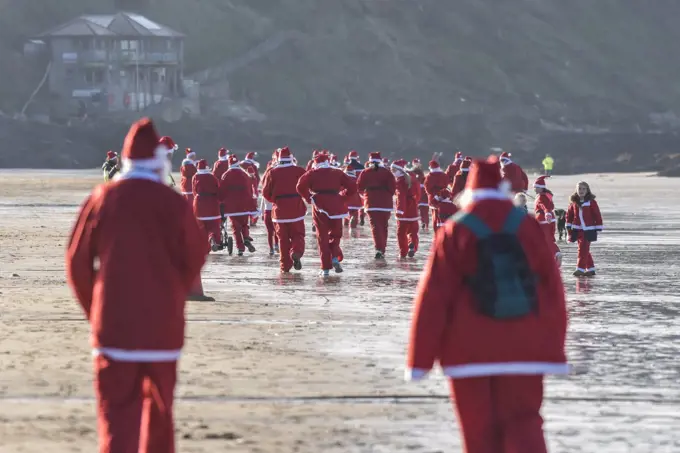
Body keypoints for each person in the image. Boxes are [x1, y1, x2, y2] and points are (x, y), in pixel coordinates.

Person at [406, 156, 568, 453]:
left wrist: (420, 360)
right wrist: (552, 346)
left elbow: (433, 298)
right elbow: (552, 292)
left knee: (478, 429)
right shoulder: (528, 227)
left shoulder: (455, 230)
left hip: (468, 352)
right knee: (524, 421)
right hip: (526, 348)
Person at [66, 117, 208, 453]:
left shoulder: (103, 197)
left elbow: (76, 262)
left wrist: (95, 308)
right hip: (163, 328)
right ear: (160, 161)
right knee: (160, 417)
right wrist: (174, 294)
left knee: (117, 415)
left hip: (114, 326)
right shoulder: (173, 203)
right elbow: (197, 253)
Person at [297, 152, 357, 276]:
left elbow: (300, 186)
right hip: (336, 204)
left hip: (319, 205)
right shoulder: (338, 172)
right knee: (335, 235)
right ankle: (334, 256)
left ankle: (325, 269)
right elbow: (352, 186)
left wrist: (309, 198)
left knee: (322, 237)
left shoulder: (311, 174)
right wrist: (343, 197)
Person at [262, 147, 307, 273]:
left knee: (282, 239)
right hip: (296, 210)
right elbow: (307, 186)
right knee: (298, 235)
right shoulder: (299, 170)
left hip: (279, 211)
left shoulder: (272, 172)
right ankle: (296, 252)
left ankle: (285, 267)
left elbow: (265, 192)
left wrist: (275, 201)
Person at [357, 152, 396, 259]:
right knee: (384, 226)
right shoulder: (387, 173)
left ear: (370, 161)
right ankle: (382, 249)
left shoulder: (365, 172)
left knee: (375, 227)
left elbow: (359, 187)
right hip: (385, 203)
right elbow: (393, 189)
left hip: (371, 203)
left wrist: (365, 195)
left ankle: (379, 248)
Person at [219, 154, 257, 256]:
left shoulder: (226, 175)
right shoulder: (245, 174)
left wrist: (220, 201)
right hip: (244, 204)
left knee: (235, 227)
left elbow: (222, 191)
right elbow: (250, 190)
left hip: (232, 206)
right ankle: (246, 238)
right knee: (244, 224)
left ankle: (240, 248)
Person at [566, 181, 603, 277]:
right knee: (584, 249)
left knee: (582, 249)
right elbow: (569, 215)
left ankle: (580, 269)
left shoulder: (591, 202)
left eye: (583, 189)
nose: (581, 191)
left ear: (587, 190)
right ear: (576, 190)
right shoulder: (574, 202)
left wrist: (598, 225)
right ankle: (590, 269)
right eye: (579, 189)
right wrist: (568, 226)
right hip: (577, 229)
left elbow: (597, 214)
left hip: (589, 229)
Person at [391, 159, 421, 258]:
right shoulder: (412, 178)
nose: (392, 172)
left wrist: (400, 210)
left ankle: (403, 252)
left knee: (401, 233)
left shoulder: (400, 181)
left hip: (403, 210)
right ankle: (412, 245)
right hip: (413, 208)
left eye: (393, 170)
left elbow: (401, 196)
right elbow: (418, 193)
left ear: (398, 170)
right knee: (413, 231)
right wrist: (415, 202)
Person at [193, 159, 223, 252]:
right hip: (212, 203)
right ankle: (212, 237)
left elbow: (194, 191)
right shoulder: (212, 177)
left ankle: (204, 246)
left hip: (199, 204)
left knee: (201, 226)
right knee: (214, 226)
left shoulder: (195, 177)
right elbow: (218, 190)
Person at [534, 176, 562, 267]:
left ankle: (555, 253)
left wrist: (547, 214)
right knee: (549, 238)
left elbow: (545, 206)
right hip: (551, 220)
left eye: (536, 187)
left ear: (541, 187)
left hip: (544, 220)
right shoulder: (546, 196)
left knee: (544, 239)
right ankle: (554, 254)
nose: (535, 189)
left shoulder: (542, 197)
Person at [260, 152, 280, 256]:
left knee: (269, 232)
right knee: (277, 230)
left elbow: (263, 199)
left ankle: (271, 249)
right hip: (276, 210)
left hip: (267, 211)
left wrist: (261, 212)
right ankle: (276, 244)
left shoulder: (265, 188)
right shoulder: (277, 188)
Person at [423, 160, 449, 233]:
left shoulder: (429, 176)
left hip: (433, 198)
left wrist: (433, 194)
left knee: (435, 217)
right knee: (443, 216)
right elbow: (446, 184)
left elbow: (427, 189)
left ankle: (437, 233)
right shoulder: (444, 175)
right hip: (444, 197)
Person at [343, 155, 364, 230]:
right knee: (355, 215)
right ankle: (353, 232)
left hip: (345, 200)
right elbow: (361, 190)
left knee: (345, 216)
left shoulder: (343, 180)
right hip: (355, 200)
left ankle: (346, 231)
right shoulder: (356, 180)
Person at [241, 152, 261, 227]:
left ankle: (244, 221)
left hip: (242, 190)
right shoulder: (253, 166)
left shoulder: (240, 165)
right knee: (253, 206)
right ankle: (253, 221)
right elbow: (257, 178)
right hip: (252, 189)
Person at [410, 158, 429, 231]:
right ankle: (425, 224)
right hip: (423, 193)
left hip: (416, 193)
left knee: (417, 211)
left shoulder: (413, 172)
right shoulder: (422, 173)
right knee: (424, 212)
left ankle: (421, 224)